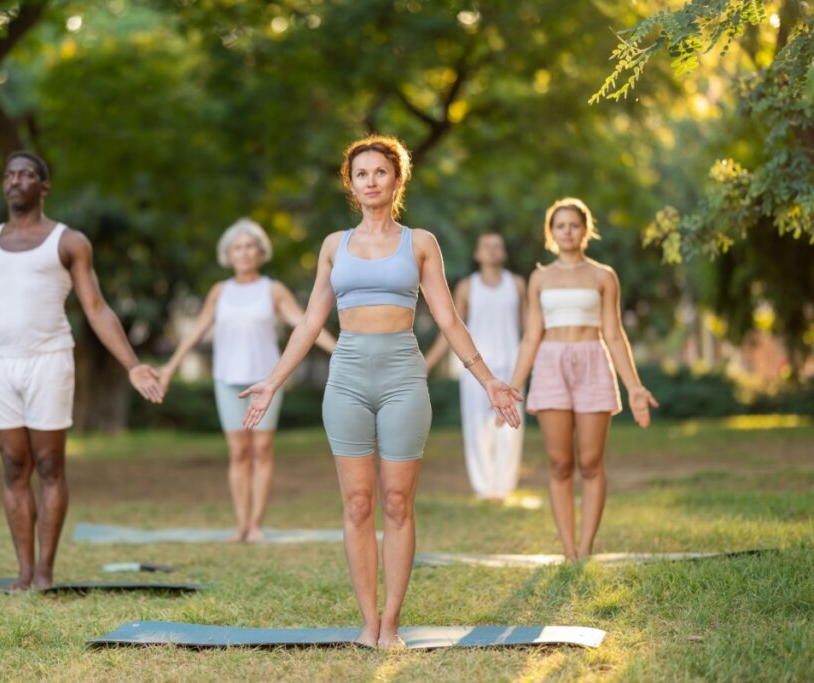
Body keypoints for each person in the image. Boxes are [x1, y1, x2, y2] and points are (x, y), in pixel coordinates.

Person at [240, 135, 522, 649]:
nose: (370, 181)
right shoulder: (333, 246)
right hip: (346, 377)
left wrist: (488, 379)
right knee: (356, 503)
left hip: (402, 378)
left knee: (396, 502)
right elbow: (308, 324)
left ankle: (391, 623)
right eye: (361, 173)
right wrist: (272, 380)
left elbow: (448, 318)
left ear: (397, 180)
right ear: (351, 184)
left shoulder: (420, 243)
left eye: (380, 172)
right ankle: (367, 623)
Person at [0, 151, 164, 590]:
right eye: (8, 175)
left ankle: (45, 572)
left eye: (25, 175)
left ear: (43, 187)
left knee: (48, 465)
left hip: (50, 361)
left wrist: (132, 365)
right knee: (12, 466)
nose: (14, 181)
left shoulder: (68, 241)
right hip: (0, 365)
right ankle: (23, 573)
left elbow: (96, 309)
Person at [158, 218, 336, 542]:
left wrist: (338, 349)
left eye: (250, 246)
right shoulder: (219, 292)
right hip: (227, 380)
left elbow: (306, 322)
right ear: (229, 254)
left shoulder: (274, 290)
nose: (244, 252)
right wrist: (170, 367)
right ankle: (240, 523)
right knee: (238, 453)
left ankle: (256, 524)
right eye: (237, 247)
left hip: (265, 380)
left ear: (260, 251)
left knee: (262, 450)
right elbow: (195, 332)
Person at [508, 197, 658, 561]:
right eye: (560, 225)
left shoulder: (603, 276)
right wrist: (513, 386)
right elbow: (531, 335)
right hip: (550, 365)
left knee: (590, 463)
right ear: (551, 233)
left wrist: (634, 386)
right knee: (560, 464)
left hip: (593, 362)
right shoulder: (540, 277)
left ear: (586, 230)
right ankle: (568, 549)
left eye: (574, 224)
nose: (568, 231)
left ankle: (587, 547)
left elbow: (614, 332)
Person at [424, 232, 527, 502]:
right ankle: (484, 488)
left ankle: (504, 487)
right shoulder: (467, 287)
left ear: (504, 253)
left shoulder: (516, 284)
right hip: (475, 370)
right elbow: (450, 328)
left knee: (511, 426)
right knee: (477, 427)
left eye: (497, 246)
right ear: (477, 254)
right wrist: (427, 363)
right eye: (486, 246)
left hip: (512, 367)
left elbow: (528, 329)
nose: (492, 251)